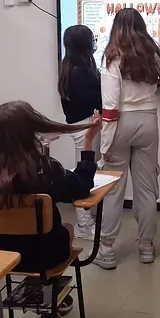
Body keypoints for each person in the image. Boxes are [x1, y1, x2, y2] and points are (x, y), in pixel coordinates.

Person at [0, 101, 101, 318]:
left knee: (29, 235)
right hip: (42, 257)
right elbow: (80, 187)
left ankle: (49, 299)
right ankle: (50, 300)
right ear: (30, 134)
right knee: (65, 229)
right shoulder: (44, 169)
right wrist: (88, 142)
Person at [95, 8, 160, 270]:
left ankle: (107, 250)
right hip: (148, 123)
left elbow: (109, 108)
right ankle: (146, 247)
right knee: (146, 189)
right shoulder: (149, 54)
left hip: (120, 124)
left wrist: (105, 146)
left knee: (113, 191)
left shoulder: (112, 58)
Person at [58, 24, 103, 241]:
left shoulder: (69, 67)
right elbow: (95, 100)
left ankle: (87, 219)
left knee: (87, 169)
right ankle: (84, 225)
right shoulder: (81, 72)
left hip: (80, 125)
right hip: (86, 126)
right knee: (84, 171)